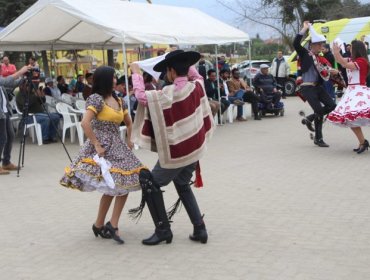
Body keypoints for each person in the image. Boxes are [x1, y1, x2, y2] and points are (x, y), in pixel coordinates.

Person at [130, 50, 214, 245]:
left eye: (167, 70)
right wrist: (182, 60)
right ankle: (199, 228)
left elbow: (142, 97)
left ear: (172, 71)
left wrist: (135, 73)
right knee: (182, 184)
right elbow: (196, 74)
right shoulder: (197, 85)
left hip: (177, 152)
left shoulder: (169, 94)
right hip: (194, 150)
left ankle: (163, 230)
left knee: (150, 183)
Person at [60, 66, 146, 244]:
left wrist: (130, 141)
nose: (116, 81)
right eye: (114, 78)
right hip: (102, 149)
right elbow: (85, 123)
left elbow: (129, 123)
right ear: (106, 80)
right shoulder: (96, 99)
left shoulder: (119, 100)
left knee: (124, 184)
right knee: (113, 185)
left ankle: (109, 224)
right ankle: (102, 224)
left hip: (117, 146)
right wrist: (97, 145)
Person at [294, 21, 336, 147]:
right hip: (307, 87)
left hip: (318, 87)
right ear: (312, 45)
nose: (321, 47)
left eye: (321, 45)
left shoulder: (320, 58)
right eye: (319, 45)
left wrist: (332, 71)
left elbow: (325, 71)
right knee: (319, 111)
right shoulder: (305, 53)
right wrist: (304, 29)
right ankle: (318, 138)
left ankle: (310, 118)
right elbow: (296, 43)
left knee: (332, 105)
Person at [327, 40, 370, 153]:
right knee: (350, 119)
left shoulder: (362, 61)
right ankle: (362, 142)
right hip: (351, 92)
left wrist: (337, 52)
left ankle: (363, 143)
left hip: (359, 91)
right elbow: (339, 61)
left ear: (356, 49)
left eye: (351, 48)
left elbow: (344, 64)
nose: (349, 49)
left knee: (356, 117)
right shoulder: (353, 60)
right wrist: (335, 51)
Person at [0, 65, 30, 175]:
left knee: (10, 135)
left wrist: (23, 78)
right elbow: (7, 81)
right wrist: (21, 71)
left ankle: (6, 162)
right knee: (2, 138)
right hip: (0, 114)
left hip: (5, 112)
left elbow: (10, 84)